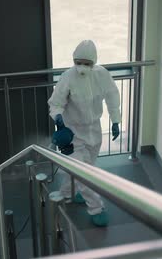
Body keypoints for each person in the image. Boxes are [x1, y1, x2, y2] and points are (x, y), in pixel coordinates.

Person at [48, 40, 120, 227]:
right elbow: (55, 103)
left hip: (94, 130)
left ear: (94, 63)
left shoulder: (102, 75)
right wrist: (58, 119)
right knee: (83, 172)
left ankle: (67, 193)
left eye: (87, 63)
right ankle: (96, 208)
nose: (82, 67)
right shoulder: (67, 77)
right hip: (72, 133)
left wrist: (116, 120)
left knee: (86, 167)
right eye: (78, 62)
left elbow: (112, 96)